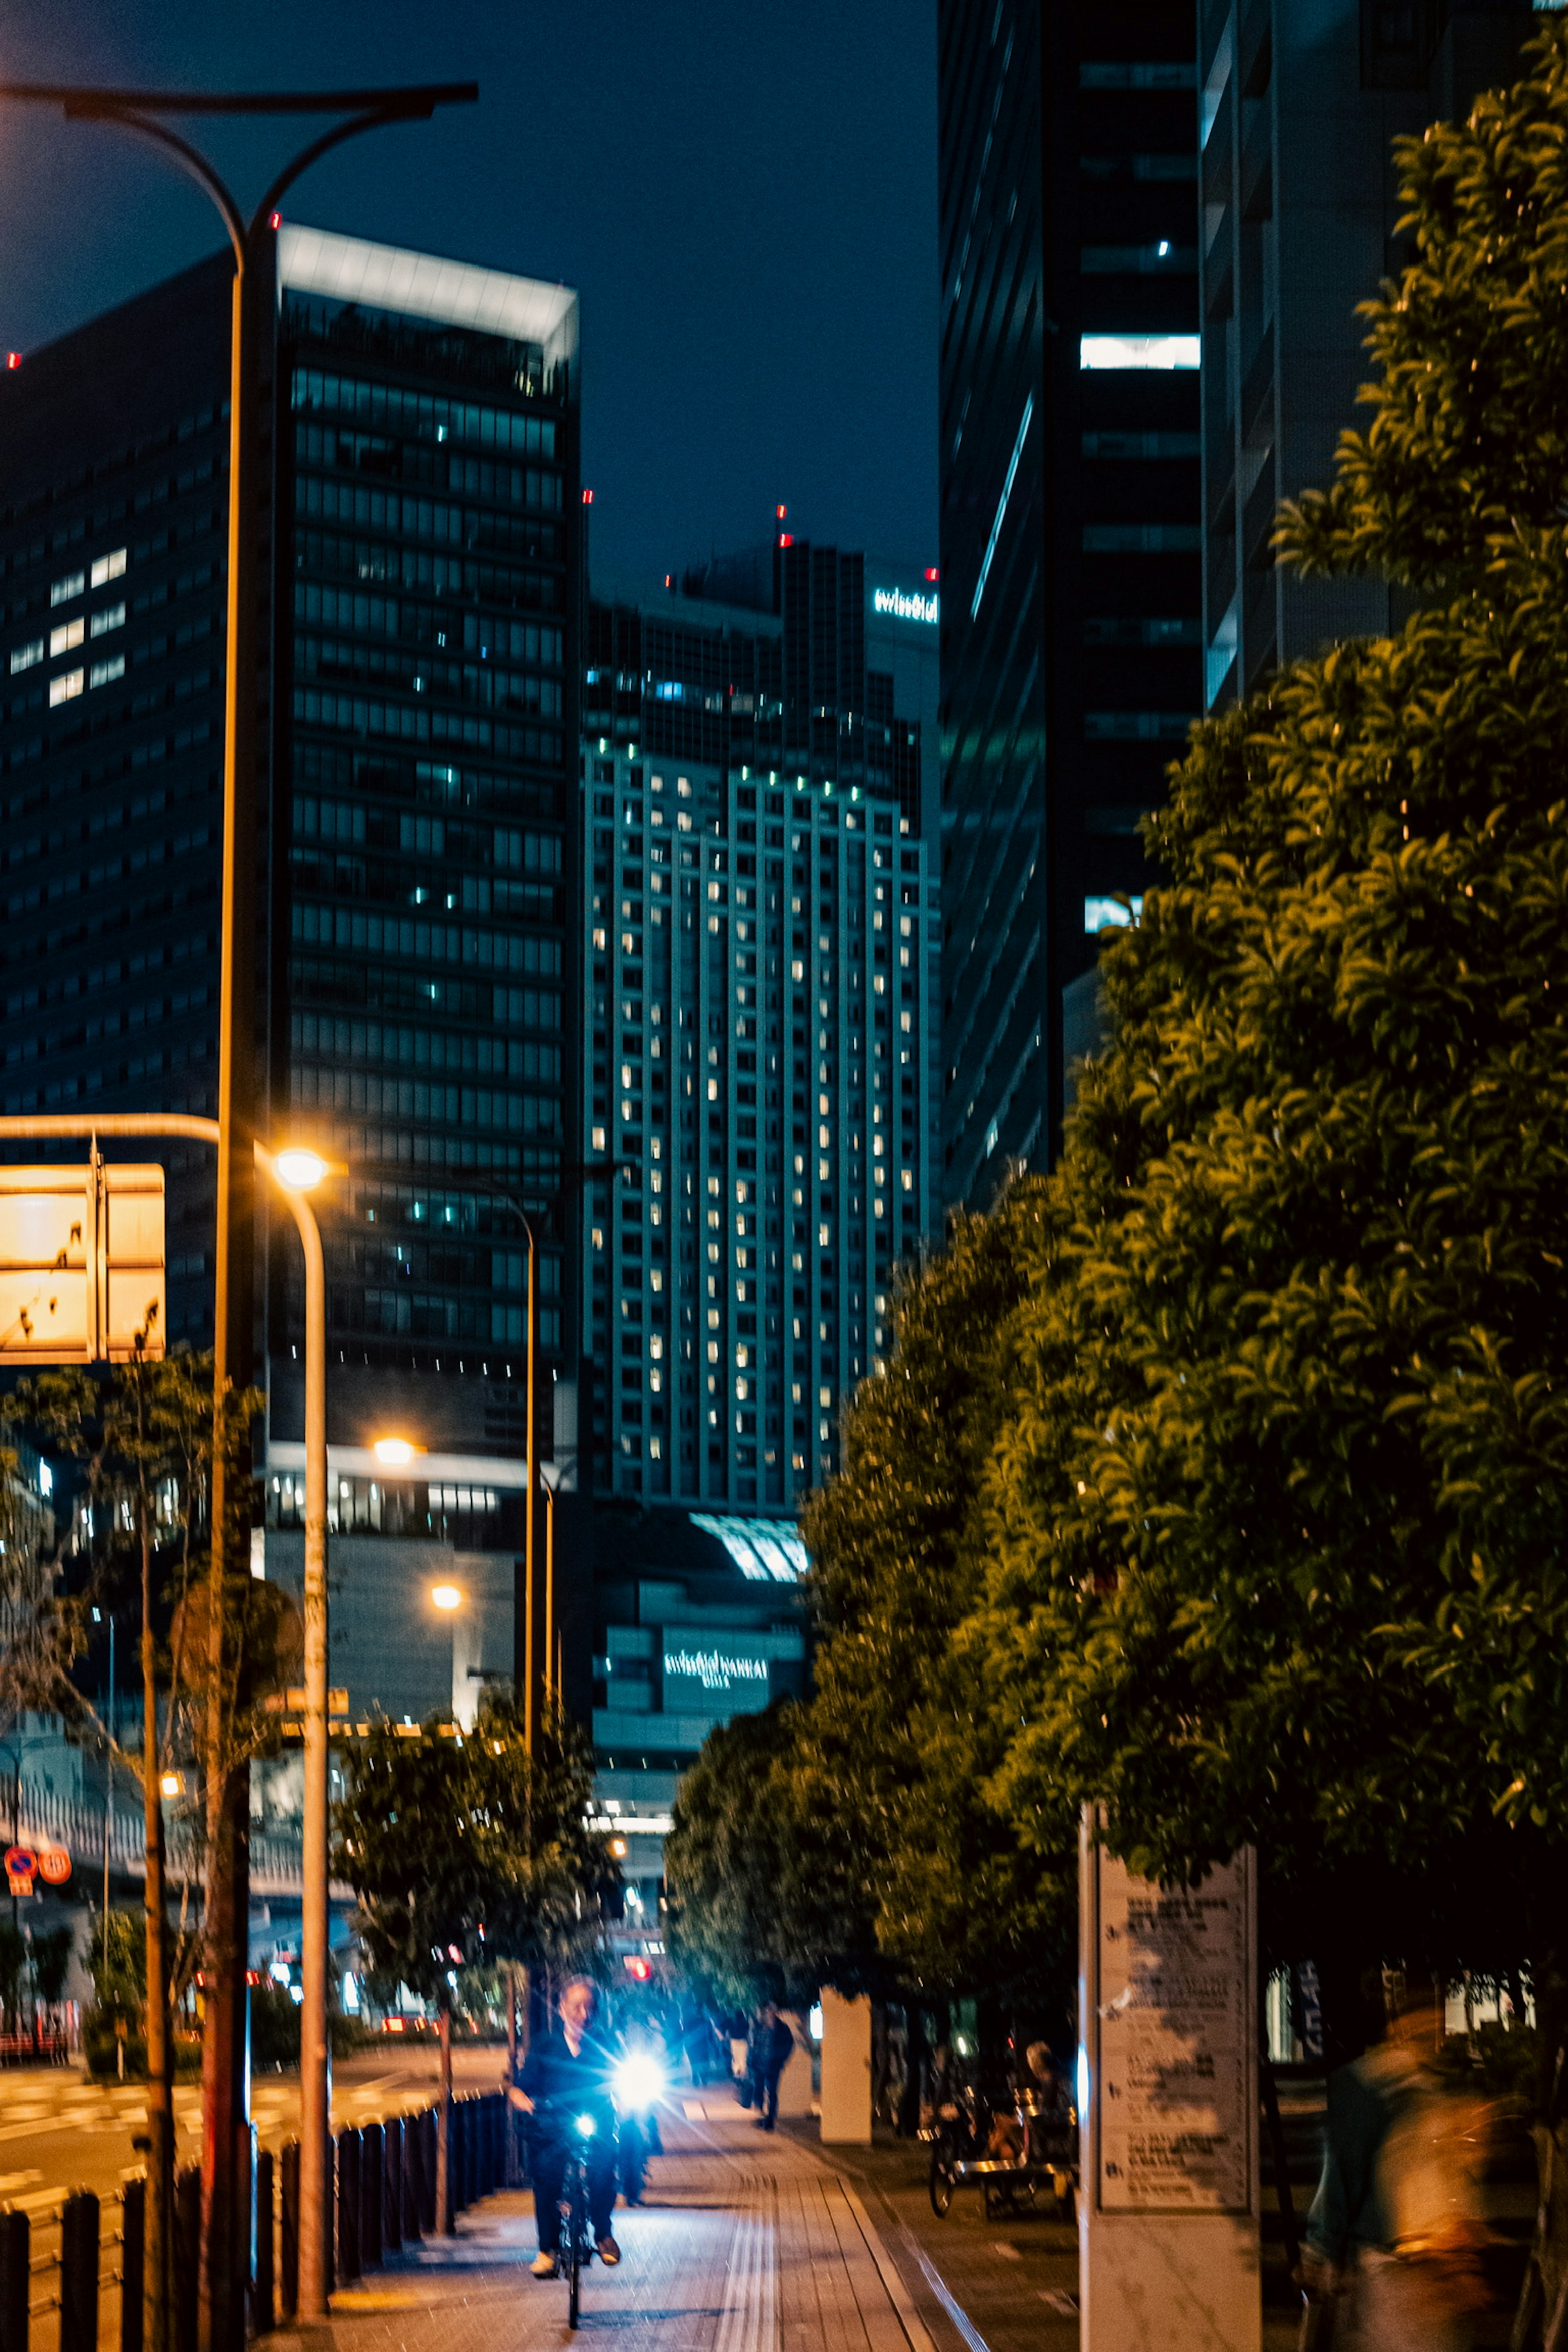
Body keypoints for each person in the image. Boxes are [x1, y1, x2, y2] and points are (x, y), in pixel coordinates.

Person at [1302, 1987, 1489, 2350]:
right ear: (1398, 2028)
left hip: (1402, 2260)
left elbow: (1341, 2172)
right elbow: (1345, 2172)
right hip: (1418, 2259)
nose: (1429, 2034)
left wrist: (1324, 2249)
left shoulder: (1374, 2084)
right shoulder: (1422, 2087)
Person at [507, 1976, 621, 2278]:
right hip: (553, 2126)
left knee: (603, 2171)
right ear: (561, 2009)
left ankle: (603, 2234)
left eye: (590, 2008)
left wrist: (627, 2100)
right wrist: (523, 2099)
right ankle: (547, 2250)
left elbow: (621, 2078)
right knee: (546, 2179)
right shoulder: (546, 2045)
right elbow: (523, 2085)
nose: (583, 2015)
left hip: (596, 2123)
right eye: (576, 2008)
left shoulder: (605, 2044)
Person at [747, 2001, 795, 2132]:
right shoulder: (759, 2026)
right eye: (768, 2010)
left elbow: (789, 2044)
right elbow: (753, 2045)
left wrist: (782, 2060)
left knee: (772, 2093)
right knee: (759, 2091)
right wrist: (750, 2061)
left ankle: (770, 2120)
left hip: (773, 2066)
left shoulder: (782, 2028)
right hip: (758, 2065)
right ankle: (761, 2114)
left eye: (772, 2010)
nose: (770, 2012)